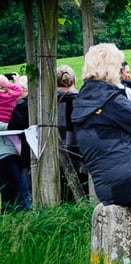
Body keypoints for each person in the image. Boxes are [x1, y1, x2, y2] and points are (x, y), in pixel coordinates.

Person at [71, 43, 131, 211]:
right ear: (111, 68)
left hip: (105, 185)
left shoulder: (81, 101)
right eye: (119, 66)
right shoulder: (111, 100)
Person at [56, 65, 88, 200]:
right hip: (81, 153)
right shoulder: (83, 100)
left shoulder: (49, 104)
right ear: (74, 81)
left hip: (58, 152)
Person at [0, 74, 24, 212]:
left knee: (8, 192)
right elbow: (19, 91)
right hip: (5, 154)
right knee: (12, 191)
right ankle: (11, 216)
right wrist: (11, 84)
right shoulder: (11, 97)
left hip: (8, 151)